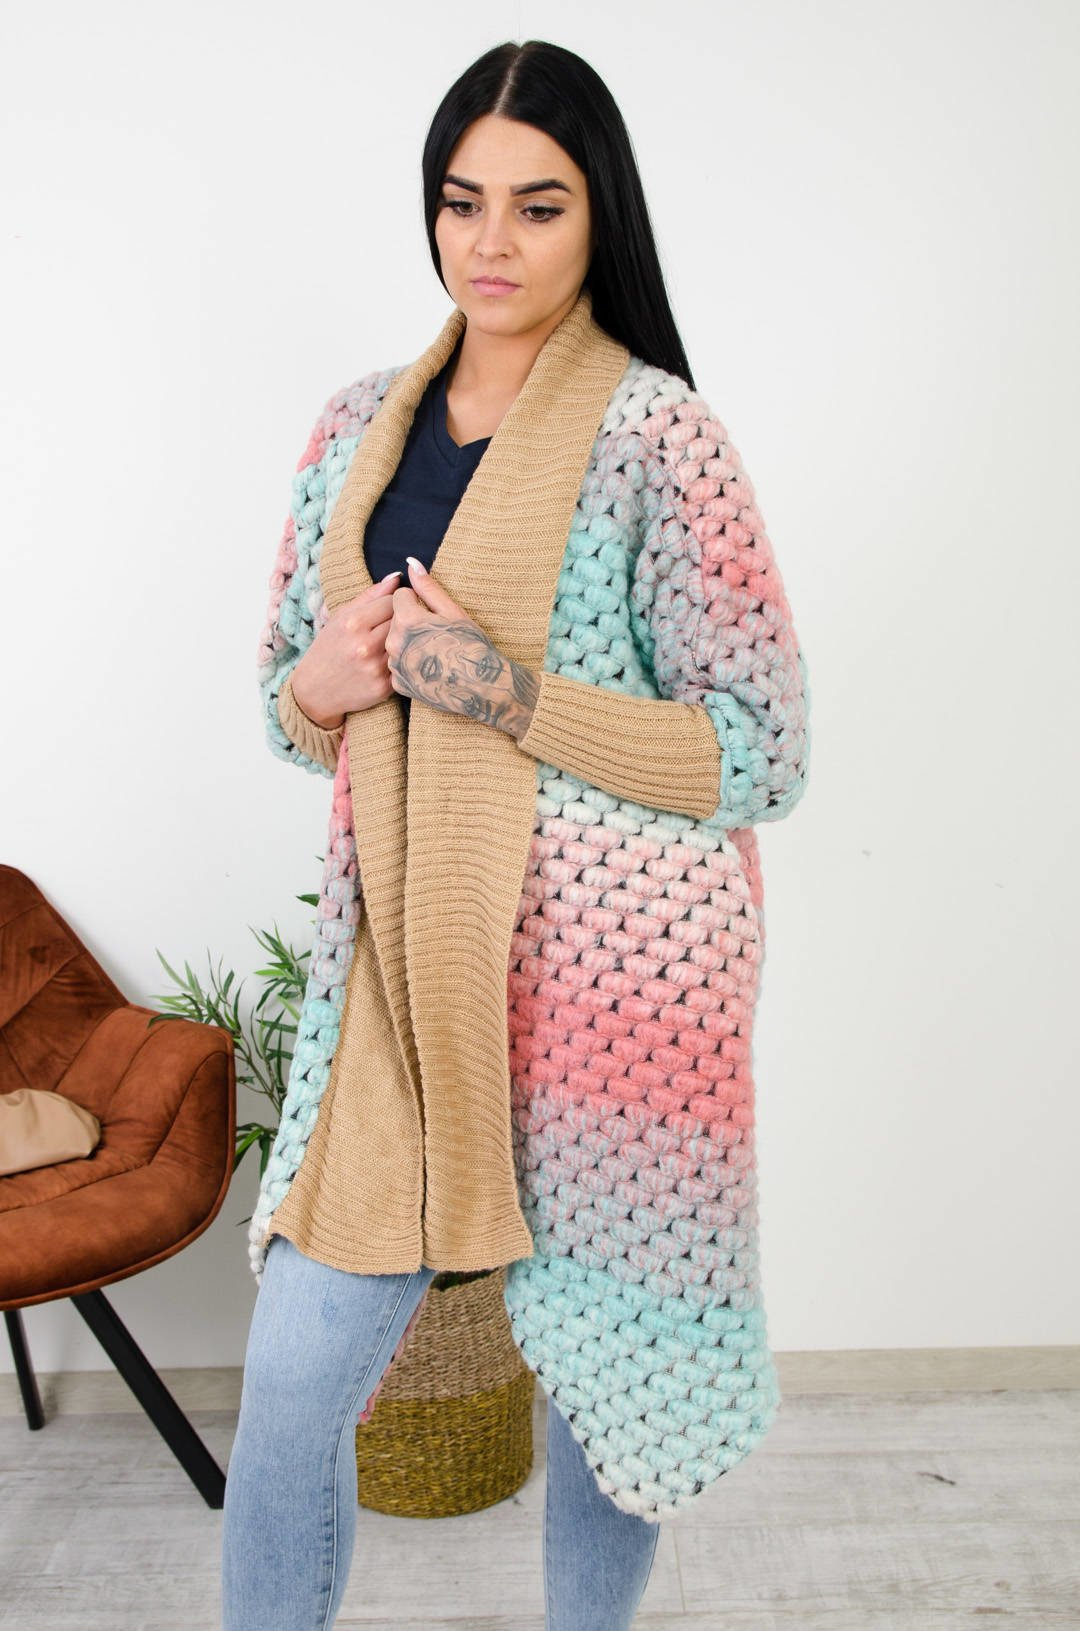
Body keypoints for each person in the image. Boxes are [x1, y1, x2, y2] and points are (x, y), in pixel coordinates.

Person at [222, 35, 811, 1631]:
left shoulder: (660, 438)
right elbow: (289, 697)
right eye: (461, 200)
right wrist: (322, 686)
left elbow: (760, 752)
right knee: (289, 1394)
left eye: (537, 206)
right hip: (401, 985)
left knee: (606, 1403)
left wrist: (501, 690)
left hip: (614, 996)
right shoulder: (355, 425)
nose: (491, 242)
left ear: (597, 214)